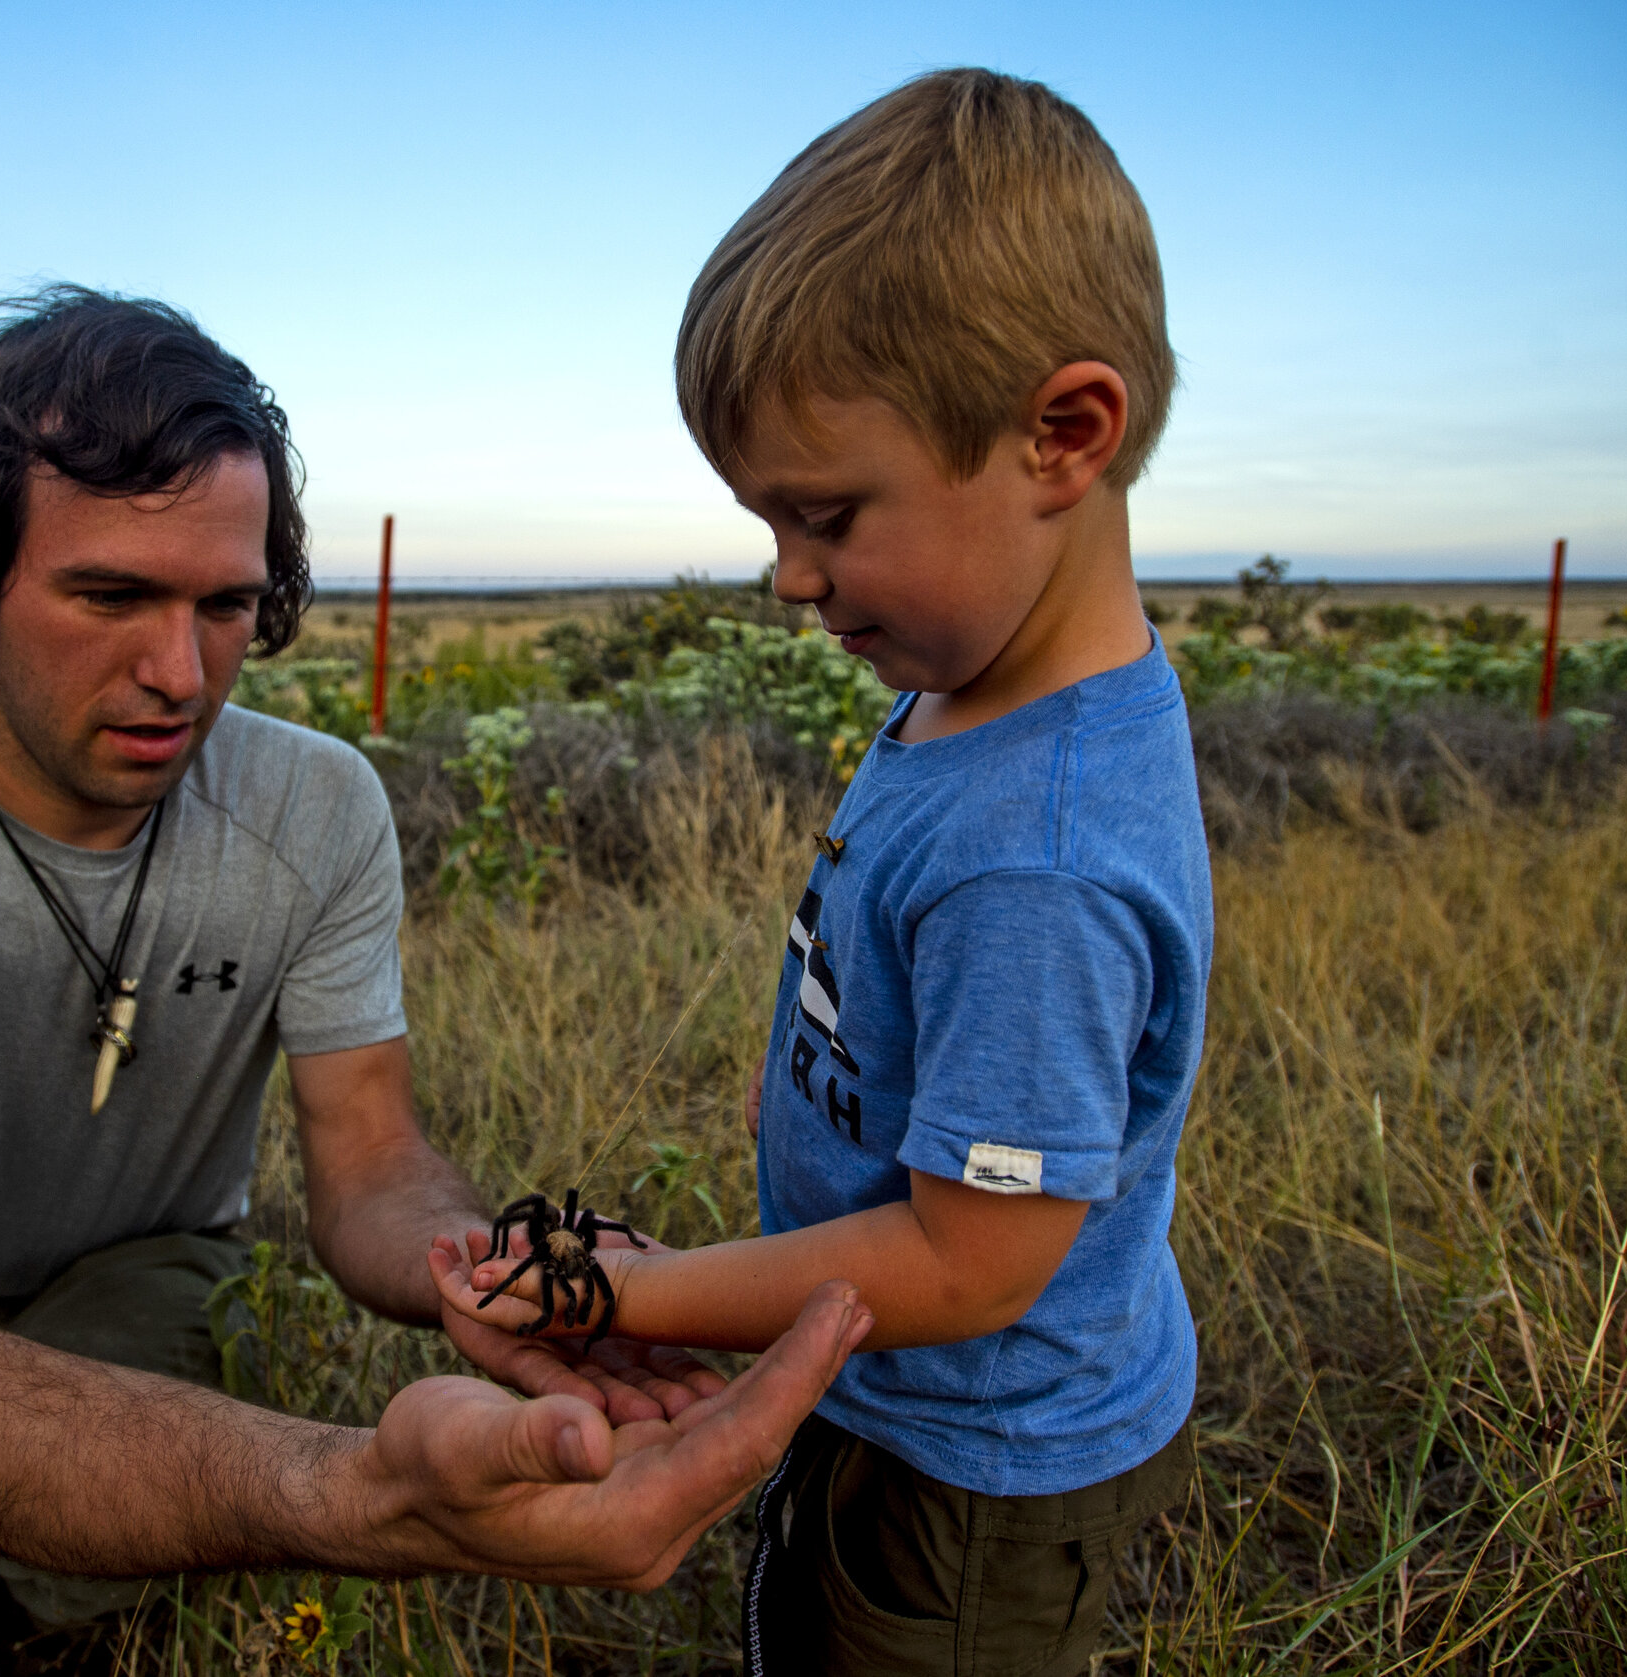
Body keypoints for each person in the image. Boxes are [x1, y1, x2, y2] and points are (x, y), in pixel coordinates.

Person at [0, 285, 873, 1677]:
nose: (179, 672)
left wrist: (503, 1274)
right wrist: (358, 1493)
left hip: (147, 1270)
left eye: (225, 605)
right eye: (110, 595)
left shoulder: (317, 808)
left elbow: (372, 1161)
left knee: (61, 1574)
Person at [435, 70, 1208, 1677]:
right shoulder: (963, 687)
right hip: (890, 1389)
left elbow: (970, 1258)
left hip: (978, 1471)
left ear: (1063, 434)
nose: (790, 579)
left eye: (828, 515)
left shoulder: (1037, 858)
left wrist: (639, 1297)